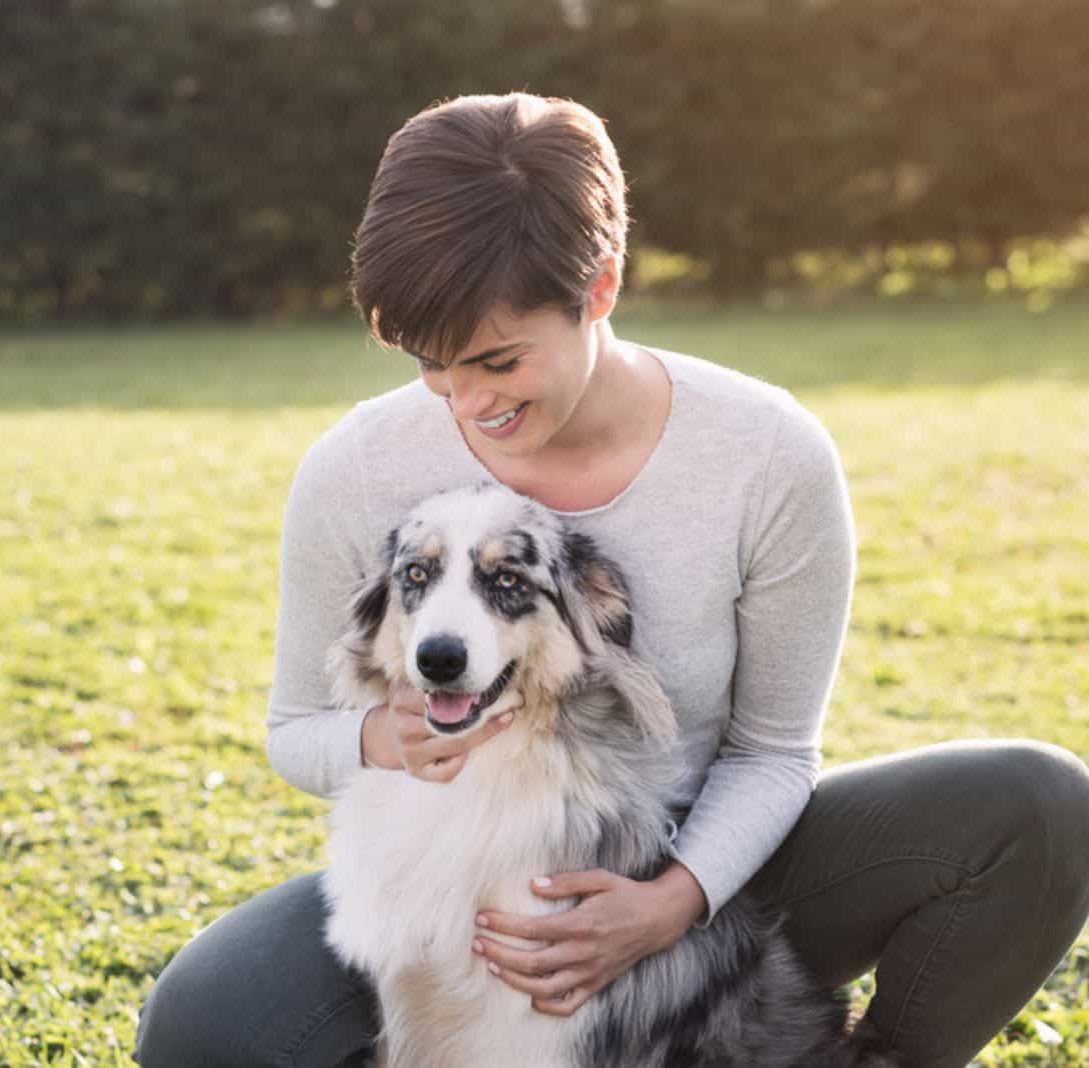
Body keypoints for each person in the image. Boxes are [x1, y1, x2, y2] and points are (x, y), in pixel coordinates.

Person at [134, 93, 1089, 1068]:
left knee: (1038, 807)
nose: (466, 404)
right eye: (430, 364)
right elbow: (298, 733)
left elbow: (770, 753)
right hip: (463, 883)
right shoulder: (353, 469)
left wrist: (668, 903)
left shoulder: (766, 452)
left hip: (721, 870)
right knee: (204, 1022)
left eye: (497, 360)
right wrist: (386, 736)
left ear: (598, 289)